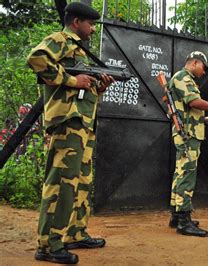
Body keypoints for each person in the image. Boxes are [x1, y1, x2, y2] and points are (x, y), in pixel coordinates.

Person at [27, 2, 114, 264]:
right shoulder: (61, 39)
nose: (92, 29)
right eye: (90, 24)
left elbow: (81, 92)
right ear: (76, 22)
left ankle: (74, 232)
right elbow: (36, 58)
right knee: (62, 182)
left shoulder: (79, 51)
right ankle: (48, 244)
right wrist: (73, 80)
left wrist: (98, 87)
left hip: (81, 124)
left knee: (81, 182)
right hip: (67, 122)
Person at [168, 51, 208, 237]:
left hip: (188, 132)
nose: (204, 72)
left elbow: (189, 113)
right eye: (204, 67)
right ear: (195, 62)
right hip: (187, 136)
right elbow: (194, 102)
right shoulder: (183, 77)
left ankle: (177, 216)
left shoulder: (184, 79)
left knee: (181, 172)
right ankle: (184, 222)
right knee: (186, 175)